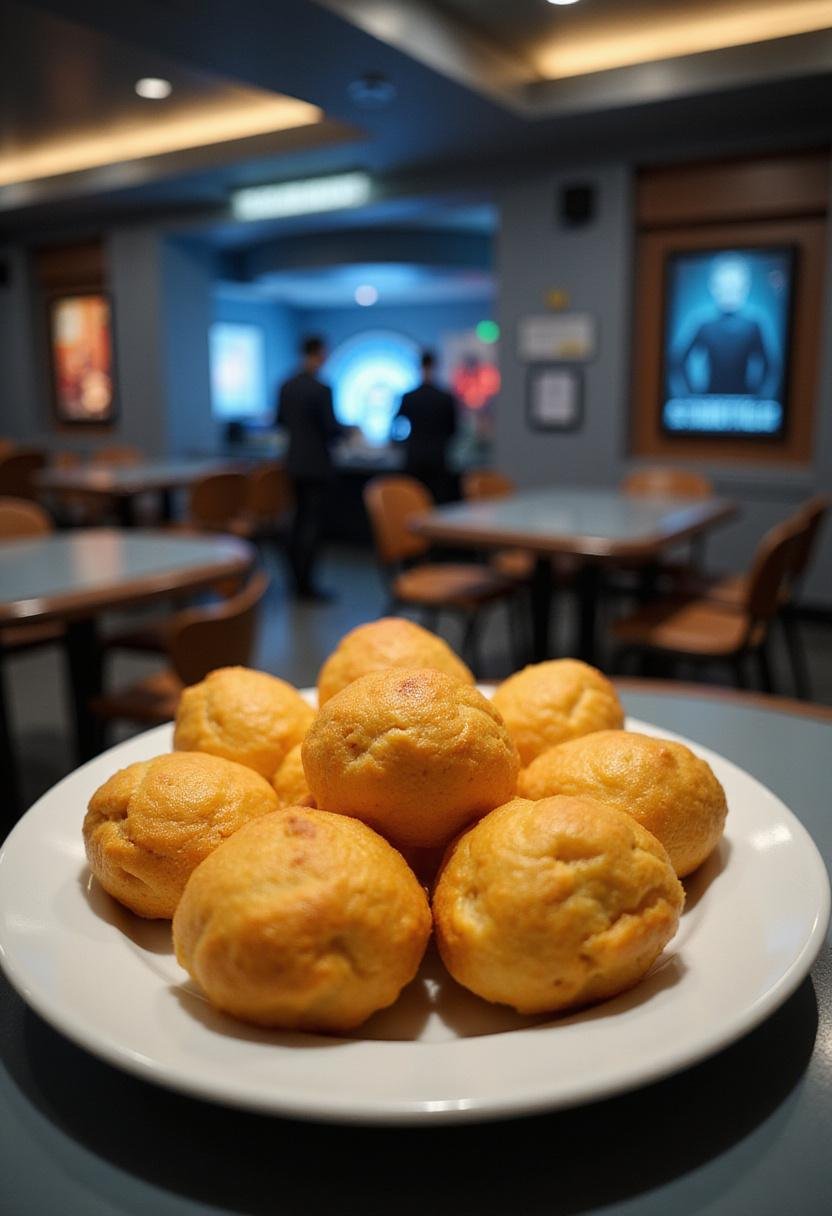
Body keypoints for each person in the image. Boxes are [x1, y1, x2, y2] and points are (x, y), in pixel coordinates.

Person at [276, 335, 345, 601]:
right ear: (319, 353)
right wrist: (348, 431)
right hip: (317, 465)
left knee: (296, 521)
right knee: (312, 526)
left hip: (293, 462)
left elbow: (280, 421)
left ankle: (295, 580)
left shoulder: (286, 385)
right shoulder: (321, 388)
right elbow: (330, 429)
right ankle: (307, 585)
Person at [395, 350, 458, 502]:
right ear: (435, 366)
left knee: (413, 499)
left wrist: (401, 443)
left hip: (414, 455)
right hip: (438, 455)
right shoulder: (445, 398)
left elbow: (395, 424)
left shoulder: (410, 397)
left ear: (419, 367)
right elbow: (453, 429)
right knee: (437, 500)